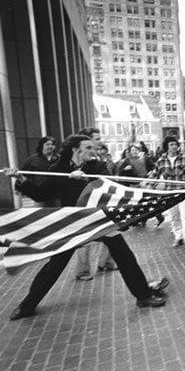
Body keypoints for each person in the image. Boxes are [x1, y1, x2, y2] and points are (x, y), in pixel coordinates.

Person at [6, 134, 167, 321]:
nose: (93, 151)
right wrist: (21, 179)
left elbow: (109, 185)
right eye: (88, 148)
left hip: (97, 220)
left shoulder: (96, 167)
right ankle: (27, 306)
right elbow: (41, 194)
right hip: (74, 223)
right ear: (76, 149)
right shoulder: (59, 168)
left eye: (94, 147)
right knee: (54, 266)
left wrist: (87, 180)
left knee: (125, 255)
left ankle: (143, 295)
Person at [75, 127, 116, 280]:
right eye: (96, 139)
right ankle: (82, 270)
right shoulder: (75, 162)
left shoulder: (99, 160)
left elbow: (107, 179)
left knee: (112, 232)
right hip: (83, 205)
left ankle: (106, 263)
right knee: (85, 238)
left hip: (100, 202)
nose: (100, 142)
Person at [152, 136, 185, 250]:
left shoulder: (184, 158)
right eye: (171, 144)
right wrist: (149, 183)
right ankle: (178, 236)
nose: (174, 146)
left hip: (183, 191)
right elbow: (155, 174)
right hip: (170, 193)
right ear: (166, 147)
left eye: (175, 144)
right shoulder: (161, 161)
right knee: (174, 216)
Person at [19, 136, 59, 207]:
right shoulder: (33, 159)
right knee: (41, 215)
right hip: (40, 196)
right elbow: (23, 175)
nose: (50, 146)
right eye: (47, 144)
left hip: (57, 196)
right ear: (42, 146)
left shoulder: (59, 159)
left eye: (52, 144)